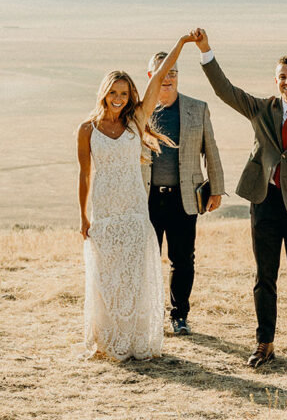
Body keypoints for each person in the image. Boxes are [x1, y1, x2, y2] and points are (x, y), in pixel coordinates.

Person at [194, 28, 287, 367]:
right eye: (281, 77)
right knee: (265, 277)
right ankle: (265, 343)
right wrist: (206, 52)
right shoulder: (263, 110)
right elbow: (226, 91)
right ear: (275, 80)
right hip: (265, 202)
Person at [76, 32, 198, 360]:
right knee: (106, 275)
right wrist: (84, 216)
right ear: (104, 94)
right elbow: (85, 175)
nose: (118, 98)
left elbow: (159, 77)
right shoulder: (86, 129)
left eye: (124, 93)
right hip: (104, 210)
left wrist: (183, 43)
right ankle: (107, 339)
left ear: (131, 95)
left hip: (133, 209)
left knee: (132, 276)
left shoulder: (135, 121)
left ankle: (131, 341)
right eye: (113, 93)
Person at [143, 50, 227, 335]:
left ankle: (179, 316)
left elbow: (211, 150)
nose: (168, 79)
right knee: (147, 260)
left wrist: (216, 189)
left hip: (184, 197)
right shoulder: (138, 111)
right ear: (150, 76)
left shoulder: (196, 108)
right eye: (162, 73)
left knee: (182, 259)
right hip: (147, 199)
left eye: (173, 73)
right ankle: (150, 314)